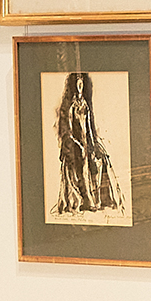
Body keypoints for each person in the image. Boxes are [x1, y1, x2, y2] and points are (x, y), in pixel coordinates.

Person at [54, 72, 124, 215]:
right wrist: (77, 144)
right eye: (78, 85)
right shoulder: (73, 107)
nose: (80, 87)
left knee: (99, 162)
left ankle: (98, 200)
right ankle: (83, 201)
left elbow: (89, 128)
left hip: (87, 142)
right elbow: (70, 130)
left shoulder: (85, 105)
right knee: (81, 168)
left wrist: (93, 143)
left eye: (82, 85)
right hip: (76, 144)